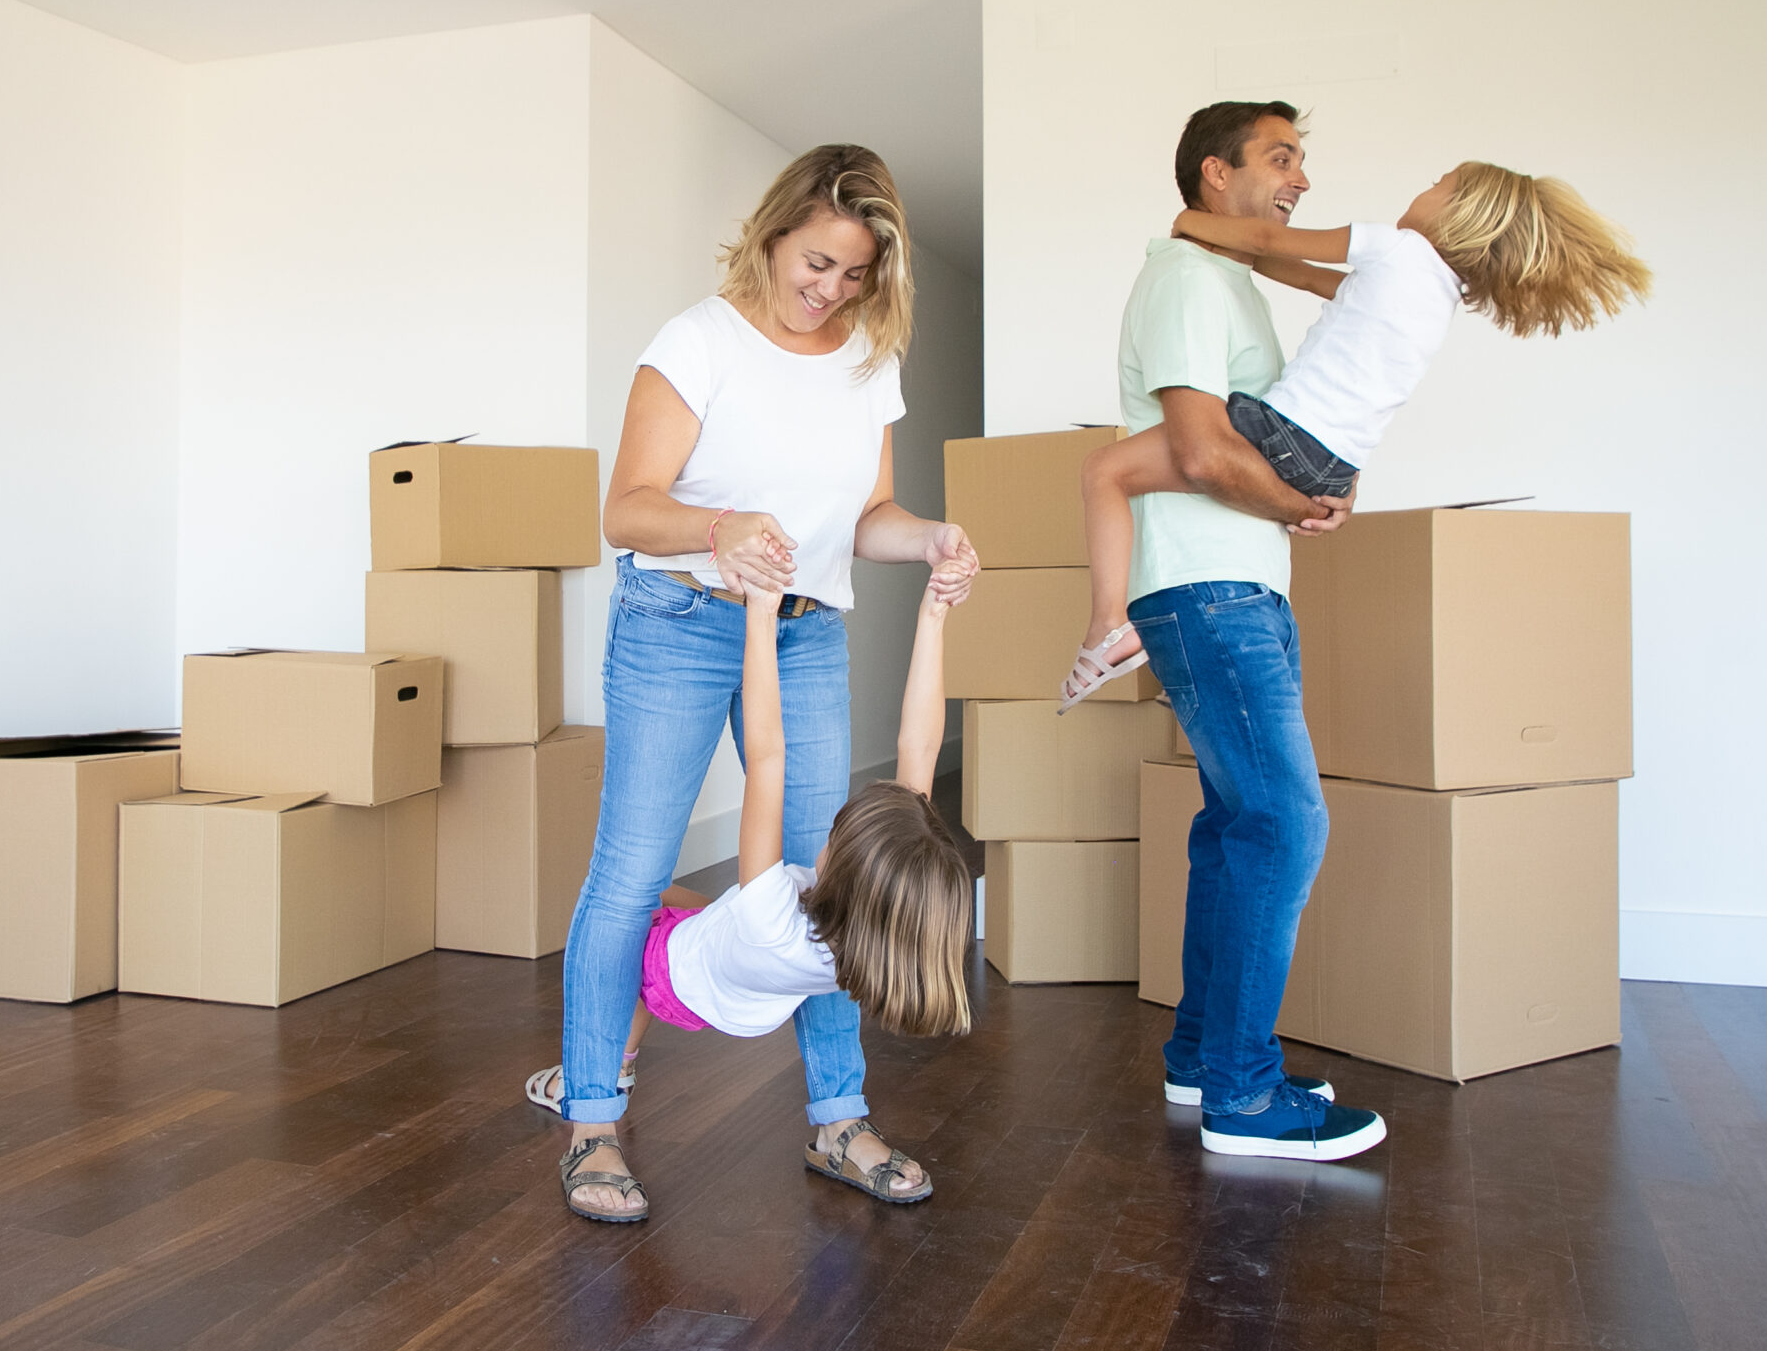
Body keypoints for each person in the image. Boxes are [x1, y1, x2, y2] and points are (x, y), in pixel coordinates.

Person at [547, 144, 980, 1224]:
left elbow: (863, 520)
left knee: (825, 879)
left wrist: (928, 539)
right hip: (677, 623)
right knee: (632, 873)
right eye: (816, 262)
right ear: (776, 231)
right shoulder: (697, 343)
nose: (829, 289)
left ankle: (838, 1119)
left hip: (806, 633)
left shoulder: (868, 362)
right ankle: (593, 1123)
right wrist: (717, 529)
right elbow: (626, 509)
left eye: (854, 273)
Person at [1062, 158, 1651, 709]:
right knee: (1135, 471)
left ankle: (1108, 627)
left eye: (1438, 184)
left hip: (1284, 434)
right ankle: (1194, 666)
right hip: (1334, 468)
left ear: (1459, 212)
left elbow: (1268, 242)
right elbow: (1295, 271)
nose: (1424, 190)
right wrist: (1233, 245)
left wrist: (1192, 221)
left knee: (1105, 470)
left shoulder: (1396, 248)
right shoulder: (1432, 296)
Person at [1087, 100, 1384, 1160]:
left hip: (1232, 582)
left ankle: (1204, 1058)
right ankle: (1245, 1099)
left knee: (1231, 828)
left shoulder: (1218, 277)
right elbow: (1204, 452)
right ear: (1215, 175)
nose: (1299, 177)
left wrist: (1298, 501)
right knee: (1284, 827)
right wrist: (1297, 503)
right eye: (1280, 157)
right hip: (1208, 585)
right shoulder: (1183, 280)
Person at [536, 571, 970, 1221]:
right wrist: (934, 616)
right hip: (743, 966)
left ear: (842, 866)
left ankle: (596, 1076)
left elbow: (769, 757)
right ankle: (835, 1123)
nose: (829, 825)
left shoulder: (771, 911)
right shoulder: (878, 937)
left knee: (635, 910)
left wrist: (760, 619)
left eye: (837, 832)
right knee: (675, 899)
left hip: (677, 978)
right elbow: (921, 744)